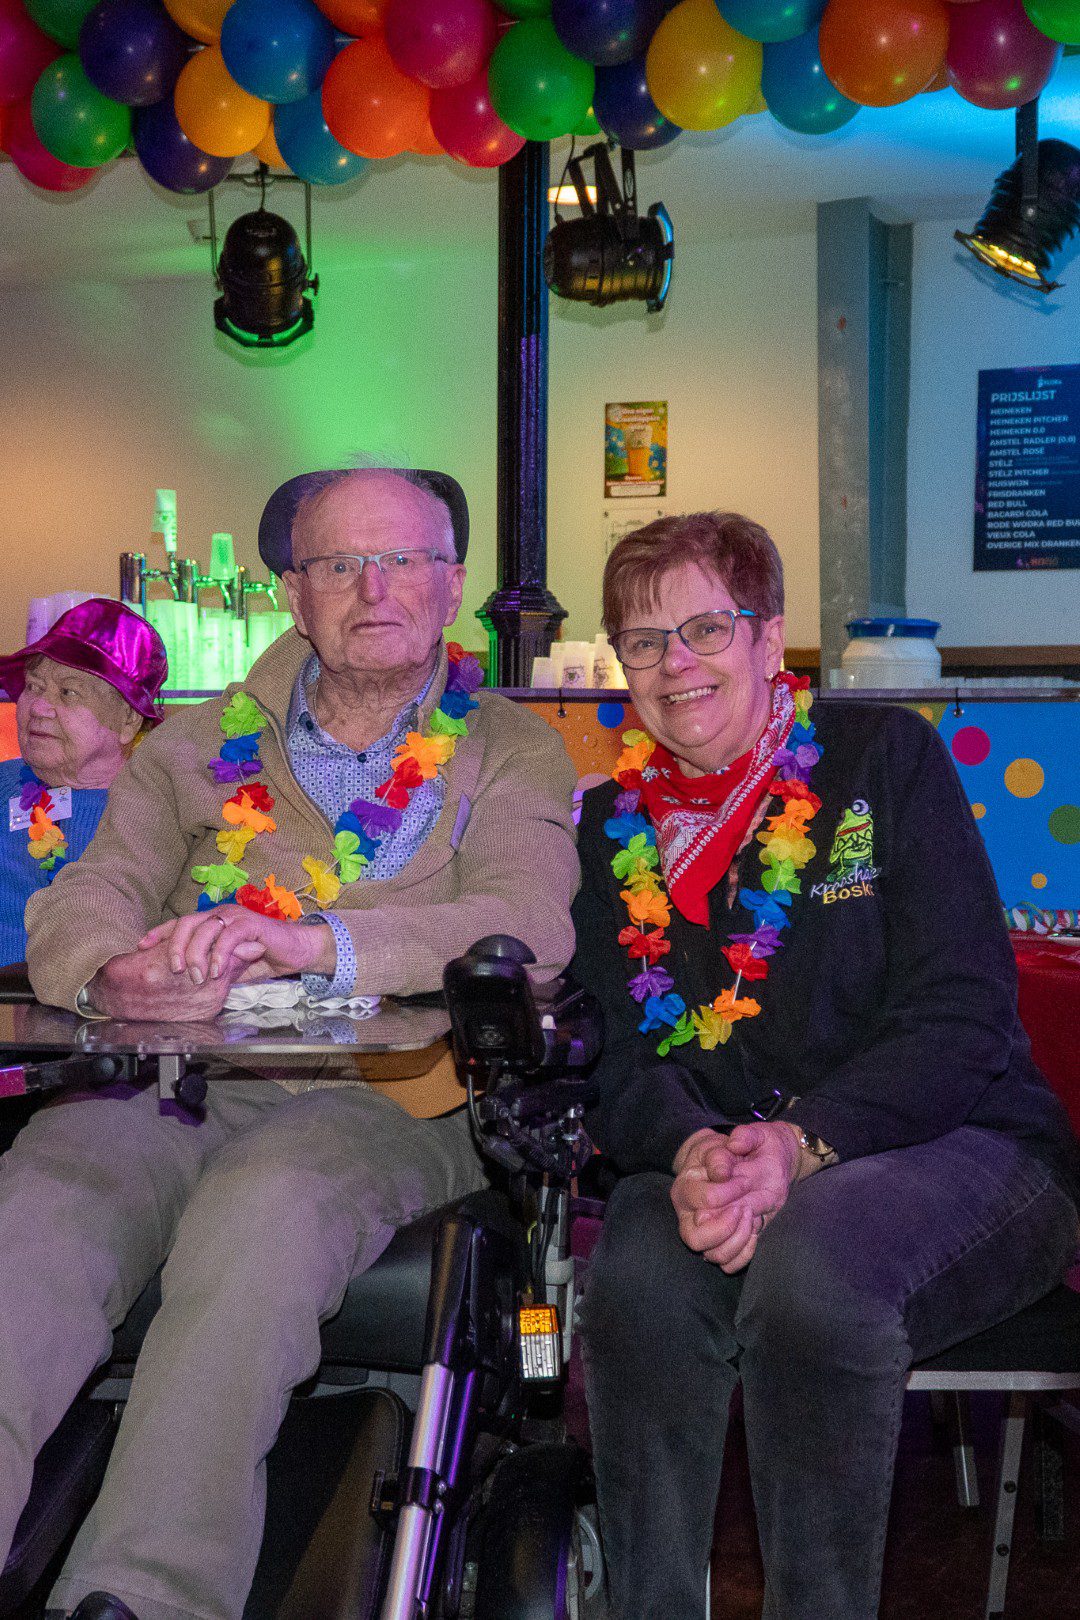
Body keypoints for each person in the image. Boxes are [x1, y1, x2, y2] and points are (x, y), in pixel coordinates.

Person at [3, 466, 579, 1620]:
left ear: (452, 584)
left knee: (263, 1209)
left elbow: (529, 926)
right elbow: (84, 896)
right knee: (40, 1208)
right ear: (294, 594)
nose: (374, 587)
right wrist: (112, 967)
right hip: (177, 1084)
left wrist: (318, 945)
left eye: (404, 559)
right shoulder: (192, 745)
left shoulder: (512, 750)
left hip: (394, 1098)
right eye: (339, 564)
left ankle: (143, 1597)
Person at [571, 511, 1080, 1620]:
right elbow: (613, 1051)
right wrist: (693, 1149)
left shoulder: (881, 759)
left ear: (769, 637)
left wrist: (799, 1146)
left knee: (813, 1275)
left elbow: (962, 1014)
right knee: (637, 1274)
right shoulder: (609, 827)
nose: (676, 663)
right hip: (725, 1162)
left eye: (707, 628)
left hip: (968, 1149)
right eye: (644, 641)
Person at [0, 598, 167, 965]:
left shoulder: (160, 812)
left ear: (128, 720)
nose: (38, 708)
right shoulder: (3, 783)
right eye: (33, 686)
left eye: (68, 693)